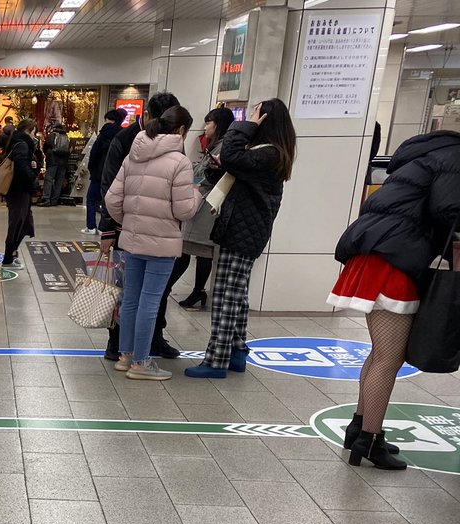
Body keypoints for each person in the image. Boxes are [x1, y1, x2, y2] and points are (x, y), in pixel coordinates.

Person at [327, 128, 460, 469]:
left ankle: (359, 427)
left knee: (381, 353)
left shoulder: (425, 153)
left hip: (376, 251)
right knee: (390, 357)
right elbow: (449, 209)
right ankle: (370, 440)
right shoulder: (454, 157)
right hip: (393, 257)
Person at [186, 99, 298, 379]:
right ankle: (236, 352)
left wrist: (241, 128)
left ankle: (216, 360)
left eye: (255, 114)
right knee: (236, 294)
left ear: (265, 120)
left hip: (242, 233)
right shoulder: (267, 153)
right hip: (245, 231)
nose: (250, 117)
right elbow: (232, 168)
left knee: (225, 296)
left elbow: (234, 158)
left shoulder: (269, 153)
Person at [105, 106, 198, 382]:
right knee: (150, 301)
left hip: (132, 239)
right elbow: (184, 211)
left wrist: (130, 220)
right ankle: (142, 363)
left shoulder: (133, 155)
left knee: (131, 298)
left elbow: (112, 200)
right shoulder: (180, 162)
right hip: (162, 243)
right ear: (181, 131)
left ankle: (125, 356)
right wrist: (197, 195)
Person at [163, 107, 235, 311]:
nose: (206, 127)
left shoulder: (223, 148)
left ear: (218, 124)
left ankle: (192, 290)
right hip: (199, 200)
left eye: (209, 122)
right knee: (190, 248)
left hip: (208, 203)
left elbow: (205, 174)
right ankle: (193, 291)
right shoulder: (213, 147)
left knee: (199, 249)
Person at [1, 120, 39, 271]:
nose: (35, 135)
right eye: (34, 132)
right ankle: (8, 257)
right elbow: (21, 168)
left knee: (24, 223)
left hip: (20, 190)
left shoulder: (19, 142)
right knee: (18, 223)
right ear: (29, 131)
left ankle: (13, 253)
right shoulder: (22, 144)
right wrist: (32, 174)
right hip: (19, 190)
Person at [85, 109, 127, 235]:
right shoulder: (123, 135)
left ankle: (91, 227)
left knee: (91, 199)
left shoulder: (103, 134)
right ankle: (107, 227)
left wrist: (91, 169)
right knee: (109, 200)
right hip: (115, 174)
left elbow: (94, 154)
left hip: (99, 173)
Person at [39, 124, 71, 206]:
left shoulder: (52, 135)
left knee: (48, 179)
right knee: (59, 182)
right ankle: (54, 200)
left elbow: (46, 146)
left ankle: (46, 199)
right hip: (63, 162)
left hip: (52, 161)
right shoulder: (66, 137)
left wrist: (47, 155)